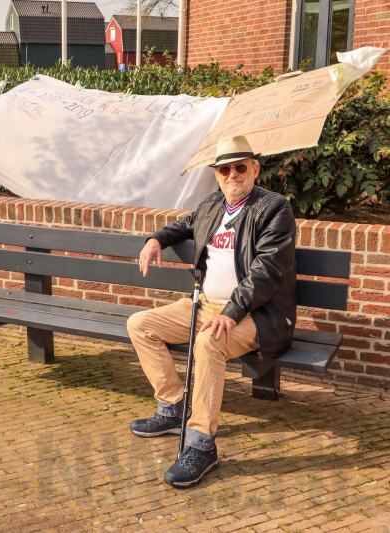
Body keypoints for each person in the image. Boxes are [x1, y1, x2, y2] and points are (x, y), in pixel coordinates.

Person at [128, 135, 297, 488]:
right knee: (141, 324)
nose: (232, 174)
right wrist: (156, 238)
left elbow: (266, 270)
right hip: (204, 306)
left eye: (240, 167)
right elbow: (184, 225)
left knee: (207, 344)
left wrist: (232, 313)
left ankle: (202, 445)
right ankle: (173, 407)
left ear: (254, 168)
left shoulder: (274, 208)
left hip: (256, 314)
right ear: (216, 174)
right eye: (224, 169)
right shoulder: (213, 205)